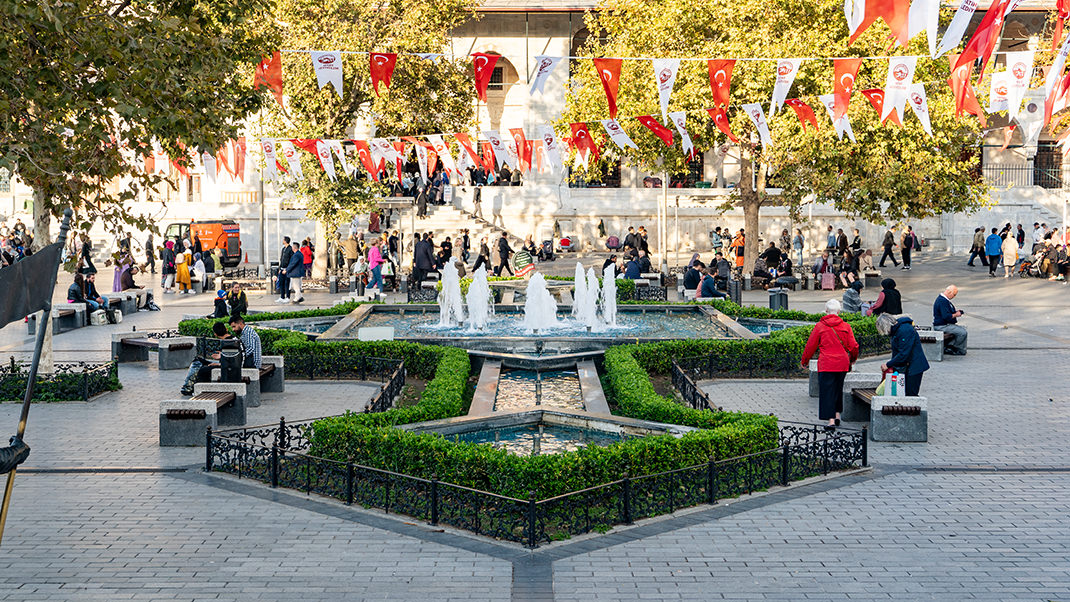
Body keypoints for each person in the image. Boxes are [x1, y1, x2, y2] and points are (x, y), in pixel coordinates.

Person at [800, 299, 859, 429]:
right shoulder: (846, 326)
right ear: (838, 311)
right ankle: (837, 415)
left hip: (826, 363)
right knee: (838, 389)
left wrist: (805, 360)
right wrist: (853, 359)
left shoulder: (820, 326)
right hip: (842, 363)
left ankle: (831, 420)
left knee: (827, 391)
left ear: (826, 311)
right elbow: (854, 346)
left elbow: (811, 346)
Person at [877, 313, 930, 397]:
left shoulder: (904, 330)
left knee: (911, 394)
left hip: (914, 366)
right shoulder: (897, 330)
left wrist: (888, 364)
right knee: (905, 393)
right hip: (907, 366)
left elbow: (903, 354)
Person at [179, 321, 235, 395]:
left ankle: (190, 387)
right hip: (224, 362)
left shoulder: (228, 342)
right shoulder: (233, 339)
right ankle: (189, 387)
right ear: (226, 329)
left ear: (215, 334)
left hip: (226, 365)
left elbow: (231, 359)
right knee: (199, 360)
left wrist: (218, 363)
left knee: (201, 368)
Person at [934, 284, 967, 356]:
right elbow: (946, 316)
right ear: (949, 292)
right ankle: (956, 348)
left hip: (944, 324)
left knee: (961, 330)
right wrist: (956, 314)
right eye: (954, 294)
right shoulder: (942, 301)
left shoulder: (944, 300)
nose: (954, 296)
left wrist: (955, 312)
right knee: (962, 332)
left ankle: (955, 347)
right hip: (942, 325)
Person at [276, 237, 293, 303]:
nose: (282, 241)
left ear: (285, 241)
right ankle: (282, 297)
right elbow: (281, 259)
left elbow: (291, 260)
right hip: (282, 269)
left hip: (287, 269)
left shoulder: (290, 249)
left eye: (283, 240)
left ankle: (287, 297)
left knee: (287, 284)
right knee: (281, 283)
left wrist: (288, 269)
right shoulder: (283, 249)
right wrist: (280, 268)